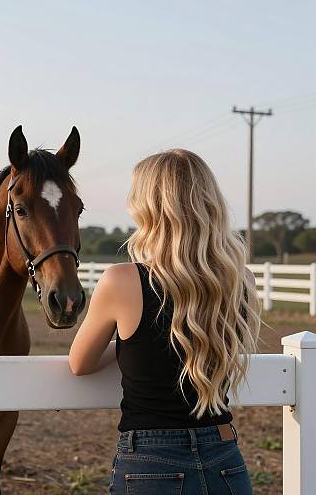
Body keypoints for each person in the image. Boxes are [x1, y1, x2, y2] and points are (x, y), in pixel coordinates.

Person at [69, 149, 262, 494]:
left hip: (150, 461)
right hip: (225, 460)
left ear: (147, 206)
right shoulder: (240, 279)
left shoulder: (122, 280)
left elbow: (80, 363)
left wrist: (128, 344)